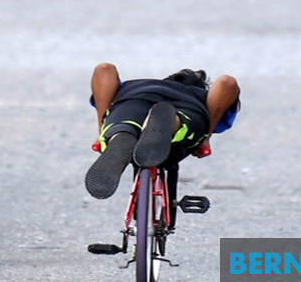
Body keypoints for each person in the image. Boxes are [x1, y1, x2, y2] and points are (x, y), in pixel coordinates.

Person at [84, 62, 241, 205]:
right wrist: (206, 137)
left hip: (133, 99)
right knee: (183, 123)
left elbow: (104, 69)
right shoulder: (203, 97)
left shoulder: (134, 86)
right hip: (188, 105)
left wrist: (102, 129)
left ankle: (118, 134)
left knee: (125, 123)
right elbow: (227, 82)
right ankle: (171, 122)